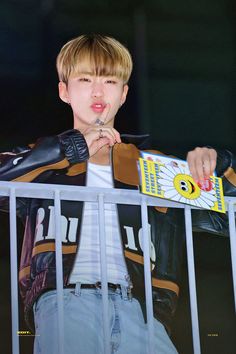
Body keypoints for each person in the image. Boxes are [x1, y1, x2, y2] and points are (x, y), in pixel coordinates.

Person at [0, 34, 235, 354]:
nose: (98, 91)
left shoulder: (149, 167)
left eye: (109, 80)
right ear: (64, 91)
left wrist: (222, 166)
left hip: (145, 312)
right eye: (85, 78)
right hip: (65, 301)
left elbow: (225, 215)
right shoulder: (42, 161)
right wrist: (69, 149)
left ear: (123, 93)